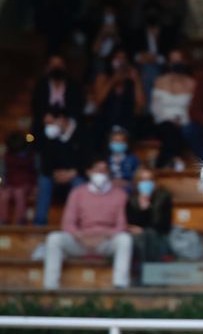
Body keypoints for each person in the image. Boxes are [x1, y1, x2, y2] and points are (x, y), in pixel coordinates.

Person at [43, 158, 132, 290]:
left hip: (105, 242)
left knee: (125, 239)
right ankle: (50, 286)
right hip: (81, 241)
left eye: (104, 170)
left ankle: (120, 285)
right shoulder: (78, 192)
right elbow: (68, 223)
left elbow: (121, 225)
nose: (101, 174)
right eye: (97, 170)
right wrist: (80, 236)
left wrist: (104, 236)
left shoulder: (120, 194)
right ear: (89, 172)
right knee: (54, 238)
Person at [34, 109, 89, 226]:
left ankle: (80, 223)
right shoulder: (49, 137)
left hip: (75, 174)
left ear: (62, 119)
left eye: (51, 123)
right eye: (46, 124)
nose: (48, 127)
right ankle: (39, 224)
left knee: (79, 183)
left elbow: (88, 162)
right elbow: (45, 164)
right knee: (44, 181)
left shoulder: (83, 133)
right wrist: (55, 174)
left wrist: (73, 172)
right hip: (55, 175)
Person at [150, 49, 196, 170]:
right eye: (173, 61)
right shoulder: (160, 81)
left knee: (182, 131)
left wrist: (181, 120)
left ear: (184, 62)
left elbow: (194, 108)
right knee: (170, 130)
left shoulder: (192, 83)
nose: (177, 63)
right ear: (169, 63)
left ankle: (159, 166)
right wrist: (170, 120)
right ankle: (175, 159)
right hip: (163, 121)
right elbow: (155, 108)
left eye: (179, 61)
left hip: (185, 121)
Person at [92, 46, 145, 144]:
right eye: (117, 58)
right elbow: (98, 101)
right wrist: (112, 81)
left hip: (127, 122)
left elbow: (141, 105)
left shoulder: (133, 79)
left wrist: (137, 80)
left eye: (123, 58)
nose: (121, 61)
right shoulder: (103, 77)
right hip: (105, 121)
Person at [128, 0, 176, 105]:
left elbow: (171, 54)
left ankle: (148, 110)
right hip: (142, 66)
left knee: (151, 70)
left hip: (163, 67)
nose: (152, 15)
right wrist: (142, 57)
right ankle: (147, 109)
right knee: (148, 70)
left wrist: (156, 58)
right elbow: (132, 54)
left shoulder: (167, 33)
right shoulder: (137, 33)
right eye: (149, 12)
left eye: (154, 12)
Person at [126, 167, 174, 270]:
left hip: (159, 235)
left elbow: (164, 224)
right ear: (137, 182)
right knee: (141, 238)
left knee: (148, 235)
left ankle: (146, 275)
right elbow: (131, 223)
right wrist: (142, 208)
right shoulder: (131, 199)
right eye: (143, 180)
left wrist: (148, 208)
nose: (146, 183)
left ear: (154, 181)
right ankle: (147, 275)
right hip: (138, 236)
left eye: (149, 179)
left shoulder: (163, 197)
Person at [31, 54, 84, 136]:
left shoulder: (74, 85)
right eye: (53, 64)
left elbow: (79, 107)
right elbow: (36, 106)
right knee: (31, 137)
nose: (56, 67)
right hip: (46, 122)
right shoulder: (41, 85)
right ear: (47, 68)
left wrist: (66, 119)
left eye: (59, 64)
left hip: (68, 122)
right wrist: (44, 117)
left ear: (65, 66)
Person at [0, 132, 35, 225]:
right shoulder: (6, 156)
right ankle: (3, 220)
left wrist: (35, 186)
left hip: (25, 184)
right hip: (9, 184)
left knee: (19, 194)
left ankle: (21, 220)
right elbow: (3, 173)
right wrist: (3, 184)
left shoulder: (30, 156)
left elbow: (34, 174)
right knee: (3, 195)